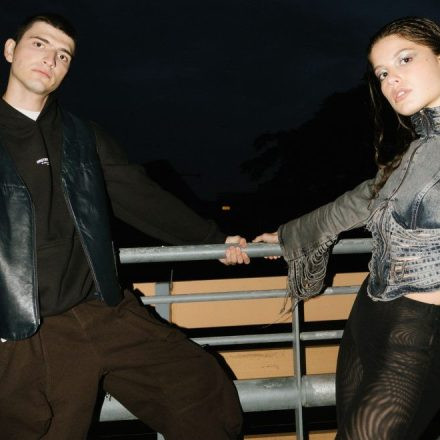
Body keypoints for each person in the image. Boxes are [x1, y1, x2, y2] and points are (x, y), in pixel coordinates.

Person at [0, 12, 250, 440]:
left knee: (201, 391)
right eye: (39, 44)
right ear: (10, 50)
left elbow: (142, 198)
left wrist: (214, 239)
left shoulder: (83, 137)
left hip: (104, 309)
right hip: (25, 328)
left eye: (64, 55)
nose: (50, 59)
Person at [253, 16, 440, 440]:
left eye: (405, 59)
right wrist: (286, 236)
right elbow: (362, 199)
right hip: (367, 315)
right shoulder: (416, 149)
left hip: (419, 330)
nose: (392, 80)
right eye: (382, 73)